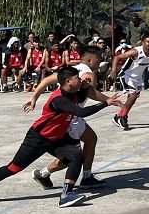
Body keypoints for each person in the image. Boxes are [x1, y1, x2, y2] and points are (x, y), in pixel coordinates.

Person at [0, 67, 122, 207]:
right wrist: (105, 103)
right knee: (13, 168)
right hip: (38, 139)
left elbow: (83, 96)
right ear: (68, 82)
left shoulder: (72, 93)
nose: (80, 79)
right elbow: (81, 112)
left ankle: (66, 195)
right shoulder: (59, 99)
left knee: (76, 157)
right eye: (77, 78)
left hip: (57, 138)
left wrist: (85, 87)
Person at [24, 46, 115, 189]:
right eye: (99, 59)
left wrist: (34, 98)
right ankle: (44, 174)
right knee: (73, 157)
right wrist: (109, 100)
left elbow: (46, 80)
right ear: (91, 60)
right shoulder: (88, 74)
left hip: (71, 116)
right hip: (71, 119)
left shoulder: (69, 71)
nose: (100, 63)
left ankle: (86, 176)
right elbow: (91, 93)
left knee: (91, 139)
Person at [109, 33, 149, 130]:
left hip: (138, 79)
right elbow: (117, 57)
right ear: (143, 42)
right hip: (127, 76)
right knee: (132, 96)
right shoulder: (136, 51)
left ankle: (118, 116)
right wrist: (113, 70)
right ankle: (123, 117)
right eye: (148, 42)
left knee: (132, 99)